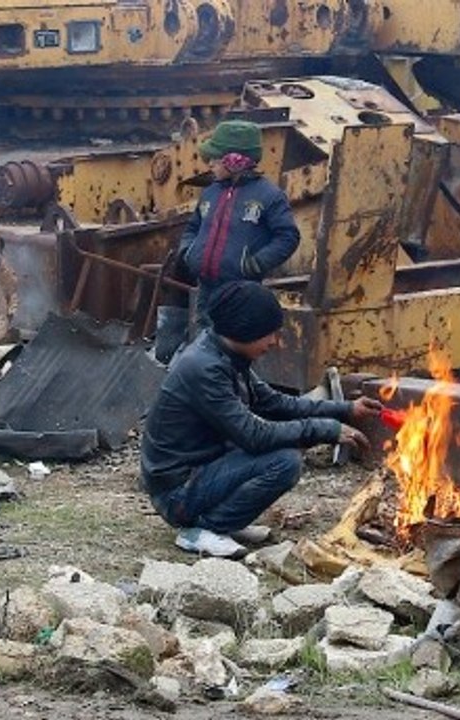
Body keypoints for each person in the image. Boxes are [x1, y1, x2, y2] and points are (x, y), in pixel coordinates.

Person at [140, 280, 382, 558]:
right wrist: (327, 430)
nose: (274, 342)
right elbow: (254, 436)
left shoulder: (224, 353)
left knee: (280, 453)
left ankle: (224, 522)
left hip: (198, 472)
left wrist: (345, 409)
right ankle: (205, 529)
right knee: (285, 462)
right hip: (177, 493)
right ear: (246, 330)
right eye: (270, 334)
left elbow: (275, 403)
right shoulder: (205, 368)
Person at [177, 120, 300, 327]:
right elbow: (193, 227)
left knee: (231, 337)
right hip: (205, 287)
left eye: (215, 159)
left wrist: (256, 263)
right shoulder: (210, 192)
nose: (210, 164)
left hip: (239, 292)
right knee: (202, 335)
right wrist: (188, 251)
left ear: (235, 161)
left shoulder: (269, 196)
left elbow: (287, 237)